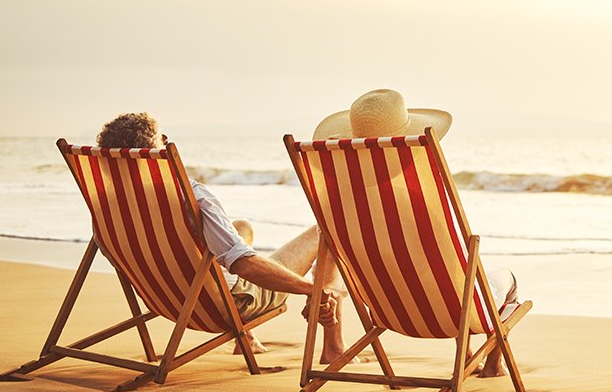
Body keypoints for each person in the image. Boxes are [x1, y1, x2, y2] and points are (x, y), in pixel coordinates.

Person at [94, 112, 345, 358]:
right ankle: (333, 346)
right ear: (155, 152)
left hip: (170, 302)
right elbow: (244, 265)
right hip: (227, 306)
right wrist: (312, 290)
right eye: (163, 139)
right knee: (329, 226)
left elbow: (111, 254)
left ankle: (247, 339)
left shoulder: (107, 207)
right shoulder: (189, 197)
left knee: (241, 227)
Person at [313, 89, 519, 376]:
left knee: (449, 280)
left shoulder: (339, 205)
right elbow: (450, 265)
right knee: (503, 280)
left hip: (389, 313)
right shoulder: (418, 199)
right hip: (453, 315)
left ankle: (470, 354)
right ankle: (494, 365)